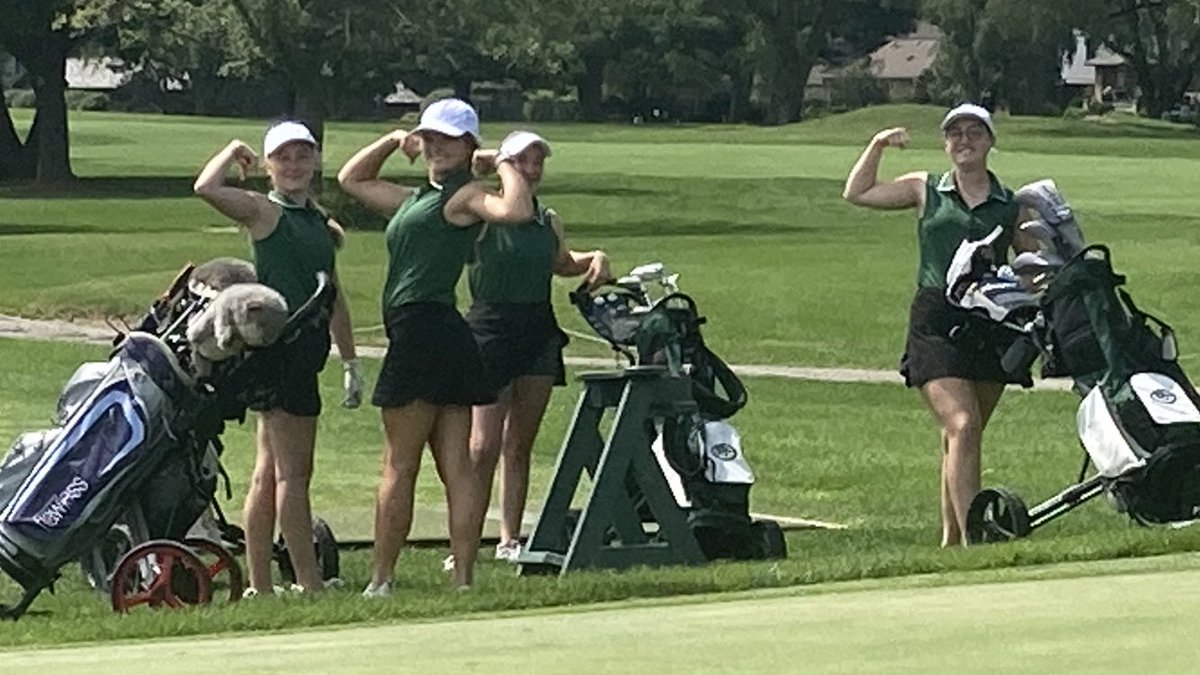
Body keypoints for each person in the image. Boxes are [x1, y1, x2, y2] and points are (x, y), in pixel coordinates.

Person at [337, 98, 533, 594]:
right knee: (452, 463)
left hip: (425, 328)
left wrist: (503, 163)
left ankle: (383, 580)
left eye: (448, 138)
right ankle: (459, 580)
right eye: (431, 137)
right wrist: (390, 140)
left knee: (402, 463)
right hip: (436, 331)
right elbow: (351, 180)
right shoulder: (416, 199)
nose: (436, 145)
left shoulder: (463, 195)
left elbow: (515, 208)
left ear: (469, 145)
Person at [841, 103, 1035, 548]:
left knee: (963, 437)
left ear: (990, 141)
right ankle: (975, 538)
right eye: (955, 133)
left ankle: (951, 542)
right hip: (937, 315)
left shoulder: (1011, 204)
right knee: (963, 424)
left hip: (990, 319)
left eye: (974, 132)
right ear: (946, 143)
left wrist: (1030, 287)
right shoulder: (925, 187)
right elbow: (858, 192)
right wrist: (876, 145)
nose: (964, 140)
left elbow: (1029, 265)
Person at [193, 120, 364, 594]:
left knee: (269, 474)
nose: (294, 166)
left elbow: (333, 296)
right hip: (282, 356)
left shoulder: (317, 222)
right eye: (283, 158)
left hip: (303, 356)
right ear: (268, 166)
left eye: (302, 156)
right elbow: (206, 187)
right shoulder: (265, 212)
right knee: (294, 475)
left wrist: (350, 360)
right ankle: (308, 582)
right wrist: (231, 149)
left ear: (315, 161)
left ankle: (262, 585)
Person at [466, 131, 612, 561]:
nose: (531, 169)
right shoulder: (484, 210)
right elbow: (473, 163)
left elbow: (560, 263)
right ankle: (467, 539)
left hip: (536, 328)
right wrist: (495, 161)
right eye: (522, 161)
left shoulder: (548, 220)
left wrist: (594, 258)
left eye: (537, 162)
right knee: (481, 446)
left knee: (519, 443)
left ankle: (509, 538)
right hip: (491, 325)